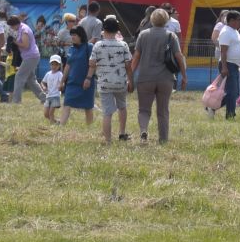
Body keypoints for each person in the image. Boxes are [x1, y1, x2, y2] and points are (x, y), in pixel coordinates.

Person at [131, 8, 182, 141]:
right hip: (166, 78)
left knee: (144, 109)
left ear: (152, 19)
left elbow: (136, 57)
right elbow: (178, 56)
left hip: (145, 77)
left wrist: (129, 75)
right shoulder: (171, 36)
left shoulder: (143, 35)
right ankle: (163, 139)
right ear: (166, 20)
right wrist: (184, 74)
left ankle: (143, 131)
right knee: (163, 111)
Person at [83, 15, 132, 144]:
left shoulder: (98, 45)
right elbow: (128, 65)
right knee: (122, 106)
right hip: (120, 82)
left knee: (107, 113)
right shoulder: (123, 45)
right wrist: (130, 80)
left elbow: (92, 64)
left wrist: (88, 78)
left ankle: (108, 140)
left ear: (103, 30)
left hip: (104, 83)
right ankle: (122, 133)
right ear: (117, 31)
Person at [60, 26, 95, 128]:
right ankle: (61, 126)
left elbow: (93, 64)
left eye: (74, 35)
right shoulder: (71, 49)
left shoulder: (89, 47)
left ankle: (90, 128)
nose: (72, 37)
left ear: (81, 35)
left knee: (88, 107)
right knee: (67, 103)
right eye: (71, 35)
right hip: (72, 82)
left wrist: (88, 78)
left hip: (86, 82)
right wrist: (62, 81)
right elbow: (68, 65)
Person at [39, 57, 65, 123]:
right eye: (52, 64)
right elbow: (42, 82)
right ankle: (56, 122)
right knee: (46, 114)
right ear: (50, 65)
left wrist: (61, 86)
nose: (54, 66)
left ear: (59, 65)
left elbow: (62, 83)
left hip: (56, 96)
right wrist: (44, 87)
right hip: (48, 96)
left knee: (50, 113)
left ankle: (52, 127)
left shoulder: (59, 74)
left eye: (56, 65)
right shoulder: (48, 74)